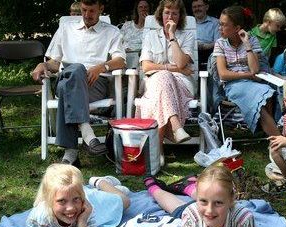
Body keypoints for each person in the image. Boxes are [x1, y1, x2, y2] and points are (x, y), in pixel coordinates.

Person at [31, 0, 125, 166]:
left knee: (69, 85)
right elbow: (54, 63)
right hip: (67, 78)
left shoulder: (111, 32)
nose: (87, 15)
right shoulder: (66, 29)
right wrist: (43, 65)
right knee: (76, 69)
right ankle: (88, 134)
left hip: (94, 83)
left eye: (91, 11)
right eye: (83, 10)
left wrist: (102, 66)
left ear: (101, 9)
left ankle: (71, 153)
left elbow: (120, 60)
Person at [26, 164, 130, 227]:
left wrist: (82, 221)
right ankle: (93, 192)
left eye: (76, 199)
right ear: (48, 200)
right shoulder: (39, 220)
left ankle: (101, 182)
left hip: (89, 197)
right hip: (76, 192)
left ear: (81, 198)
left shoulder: (86, 210)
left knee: (125, 201)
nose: (70, 208)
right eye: (61, 201)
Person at [135, 0, 195, 165]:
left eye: (175, 13)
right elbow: (146, 66)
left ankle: (157, 149)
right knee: (163, 77)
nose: (170, 16)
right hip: (153, 82)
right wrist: (173, 68)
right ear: (161, 15)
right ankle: (176, 127)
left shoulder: (187, 35)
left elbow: (182, 62)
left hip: (181, 84)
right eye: (167, 12)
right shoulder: (150, 36)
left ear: (180, 16)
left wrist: (172, 36)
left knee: (162, 78)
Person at [213, 6, 280, 137]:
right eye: (219, 24)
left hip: (254, 84)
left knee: (268, 93)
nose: (219, 28)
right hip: (234, 86)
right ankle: (278, 140)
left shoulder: (252, 40)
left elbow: (255, 69)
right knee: (263, 96)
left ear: (237, 28)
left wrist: (247, 45)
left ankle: (273, 138)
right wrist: (248, 75)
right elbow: (223, 74)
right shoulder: (220, 44)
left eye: (223, 25)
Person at [120, 0, 151, 68]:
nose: (143, 9)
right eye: (140, 7)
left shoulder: (151, 27)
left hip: (141, 58)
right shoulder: (127, 25)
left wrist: (148, 22)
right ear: (137, 9)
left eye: (145, 7)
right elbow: (118, 41)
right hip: (124, 56)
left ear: (149, 9)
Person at [191, 0, 220, 67]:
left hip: (208, 52)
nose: (197, 9)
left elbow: (218, 42)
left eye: (199, 6)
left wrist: (205, 46)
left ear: (206, 7)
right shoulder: (188, 23)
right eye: (194, 7)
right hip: (190, 51)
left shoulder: (215, 22)